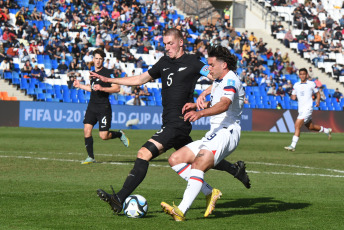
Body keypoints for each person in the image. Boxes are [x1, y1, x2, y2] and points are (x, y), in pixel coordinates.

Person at [92, 28, 250, 215]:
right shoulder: (164, 62)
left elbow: (216, 76)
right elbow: (140, 79)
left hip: (178, 123)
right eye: (165, 44)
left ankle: (119, 198)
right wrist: (109, 79)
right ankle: (231, 172)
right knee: (196, 157)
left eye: (170, 43)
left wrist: (206, 93)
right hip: (168, 122)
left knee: (144, 153)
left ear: (181, 42)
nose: (167, 47)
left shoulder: (193, 62)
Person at [160, 45, 247, 221]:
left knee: (198, 164)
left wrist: (199, 113)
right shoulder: (220, 81)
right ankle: (209, 191)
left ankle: (181, 211)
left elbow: (224, 104)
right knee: (175, 159)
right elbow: (216, 102)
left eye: (212, 65)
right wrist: (197, 105)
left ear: (223, 65)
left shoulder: (230, 80)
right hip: (215, 132)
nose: (209, 69)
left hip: (227, 131)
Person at [73, 49, 129, 164]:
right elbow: (92, 89)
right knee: (86, 130)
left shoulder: (108, 73)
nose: (98, 61)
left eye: (100, 59)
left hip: (103, 107)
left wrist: (102, 88)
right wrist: (80, 85)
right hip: (92, 106)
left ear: (103, 60)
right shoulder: (92, 74)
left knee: (103, 136)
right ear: (93, 59)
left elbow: (117, 88)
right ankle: (90, 157)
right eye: (96, 58)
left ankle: (119, 134)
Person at [284, 68, 332, 152]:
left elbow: (317, 93)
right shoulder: (296, 85)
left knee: (297, 125)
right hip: (301, 109)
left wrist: (318, 101)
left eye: (304, 74)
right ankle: (327, 130)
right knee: (311, 127)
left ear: (306, 75)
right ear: (299, 75)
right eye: (301, 74)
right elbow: (293, 97)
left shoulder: (311, 84)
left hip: (308, 108)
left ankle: (292, 145)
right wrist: (291, 95)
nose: (302, 75)